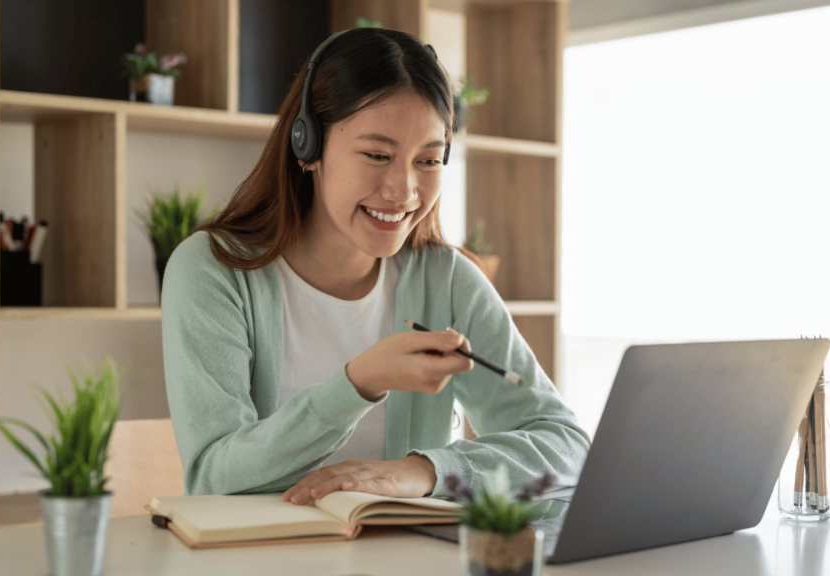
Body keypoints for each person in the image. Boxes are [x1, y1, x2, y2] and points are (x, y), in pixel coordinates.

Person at [161, 27, 590, 505]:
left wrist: (427, 471)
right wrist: (358, 384)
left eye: (428, 161)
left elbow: (567, 445)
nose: (403, 190)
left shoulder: (446, 280)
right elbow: (212, 478)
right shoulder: (212, 272)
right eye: (377, 155)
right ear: (308, 146)